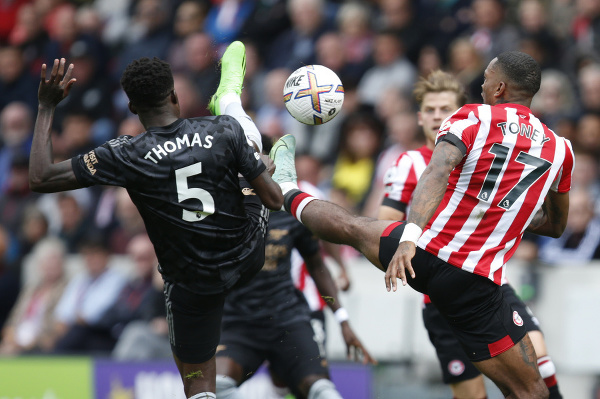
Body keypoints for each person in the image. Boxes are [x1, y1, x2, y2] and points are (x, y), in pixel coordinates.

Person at [268, 51, 574, 398]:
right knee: (531, 391)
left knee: (351, 227)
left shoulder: (474, 117)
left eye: (486, 80)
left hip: (423, 254)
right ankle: (287, 186)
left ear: (500, 87)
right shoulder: (561, 150)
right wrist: (508, 211)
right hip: (475, 286)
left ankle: (287, 189)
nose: (483, 86)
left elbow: (437, 170)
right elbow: (555, 226)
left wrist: (409, 238)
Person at [29, 41, 283, 399]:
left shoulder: (124, 154)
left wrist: (46, 105)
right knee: (248, 146)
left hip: (192, 280)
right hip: (246, 253)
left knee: (196, 382)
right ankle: (243, 125)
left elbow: (39, 177)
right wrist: (262, 179)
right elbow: (274, 200)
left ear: (132, 107)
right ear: (175, 96)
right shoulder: (220, 131)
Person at [379, 70, 563, 399]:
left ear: (461, 113)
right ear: (420, 117)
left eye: (446, 110)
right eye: (431, 110)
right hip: (440, 294)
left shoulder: (485, 153)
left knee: (541, 368)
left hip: (491, 284)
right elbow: (386, 222)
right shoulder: (409, 163)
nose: (438, 117)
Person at [215, 204, 375, 399]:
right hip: (239, 323)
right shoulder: (223, 210)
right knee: (217, 388)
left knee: (323, 392)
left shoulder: (291, 213)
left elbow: (317, 266)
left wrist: (342, 319)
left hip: (287, 320)